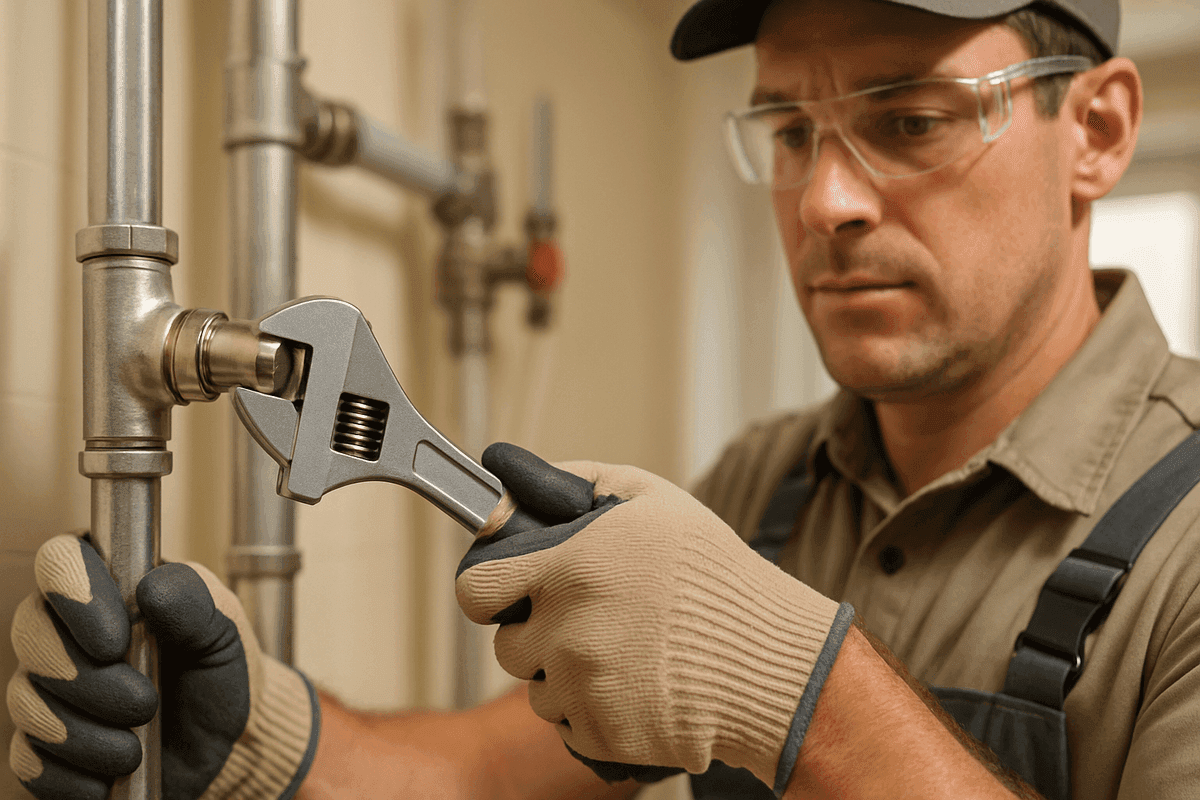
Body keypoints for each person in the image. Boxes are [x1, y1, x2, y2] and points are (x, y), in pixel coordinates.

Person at [11, 0, 1192, 798]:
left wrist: (806, 692)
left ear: (1096, 129)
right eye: (787, 128)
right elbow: (497, 775)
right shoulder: (762, 488)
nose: (827, 198)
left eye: (910, 121)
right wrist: (268, 737)